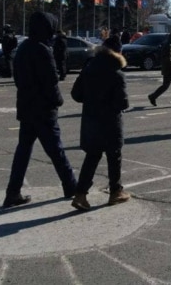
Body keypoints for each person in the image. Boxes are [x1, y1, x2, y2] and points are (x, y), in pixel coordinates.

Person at [3, 11, 77, 208]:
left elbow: (17, 77)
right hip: (43, 109)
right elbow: (50, 82)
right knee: (56, 150)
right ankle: (70, 185)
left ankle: (13, 191)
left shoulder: (24, 47)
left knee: (23, 151)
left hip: (26, 106)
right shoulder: (42, 50)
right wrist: (58, 101)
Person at [69, 37, 131, 211]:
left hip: (91, 119)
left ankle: (80, 194)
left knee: (92, 156)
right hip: (110, 121)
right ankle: (115, 191)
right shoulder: (116, 73)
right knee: (114, 156)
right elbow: (122, 103)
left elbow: (76, 94)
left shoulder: (89, 68)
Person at [147, 32, 171, 108]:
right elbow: (168, 59)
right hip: (170, 70)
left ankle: (153, 96)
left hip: (169, 69)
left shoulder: (170, 45)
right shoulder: (168, 46)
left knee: (166, 86)